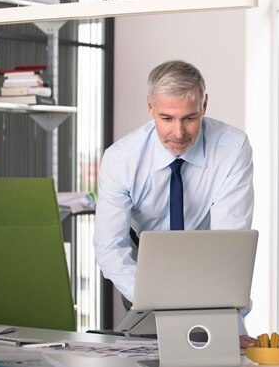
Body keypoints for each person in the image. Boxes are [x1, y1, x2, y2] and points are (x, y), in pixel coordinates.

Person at [94, 60, 256, 346]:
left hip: (209, 270)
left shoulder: (232, 148)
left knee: (216, 354)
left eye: (189, 118)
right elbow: (110, 247)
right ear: (150, 108)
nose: (178, 133)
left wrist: (231, 327)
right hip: (142, 275)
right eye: (166, 118)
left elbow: (228, 246)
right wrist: (159, 299)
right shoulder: (121, 159)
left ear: (204, 105)